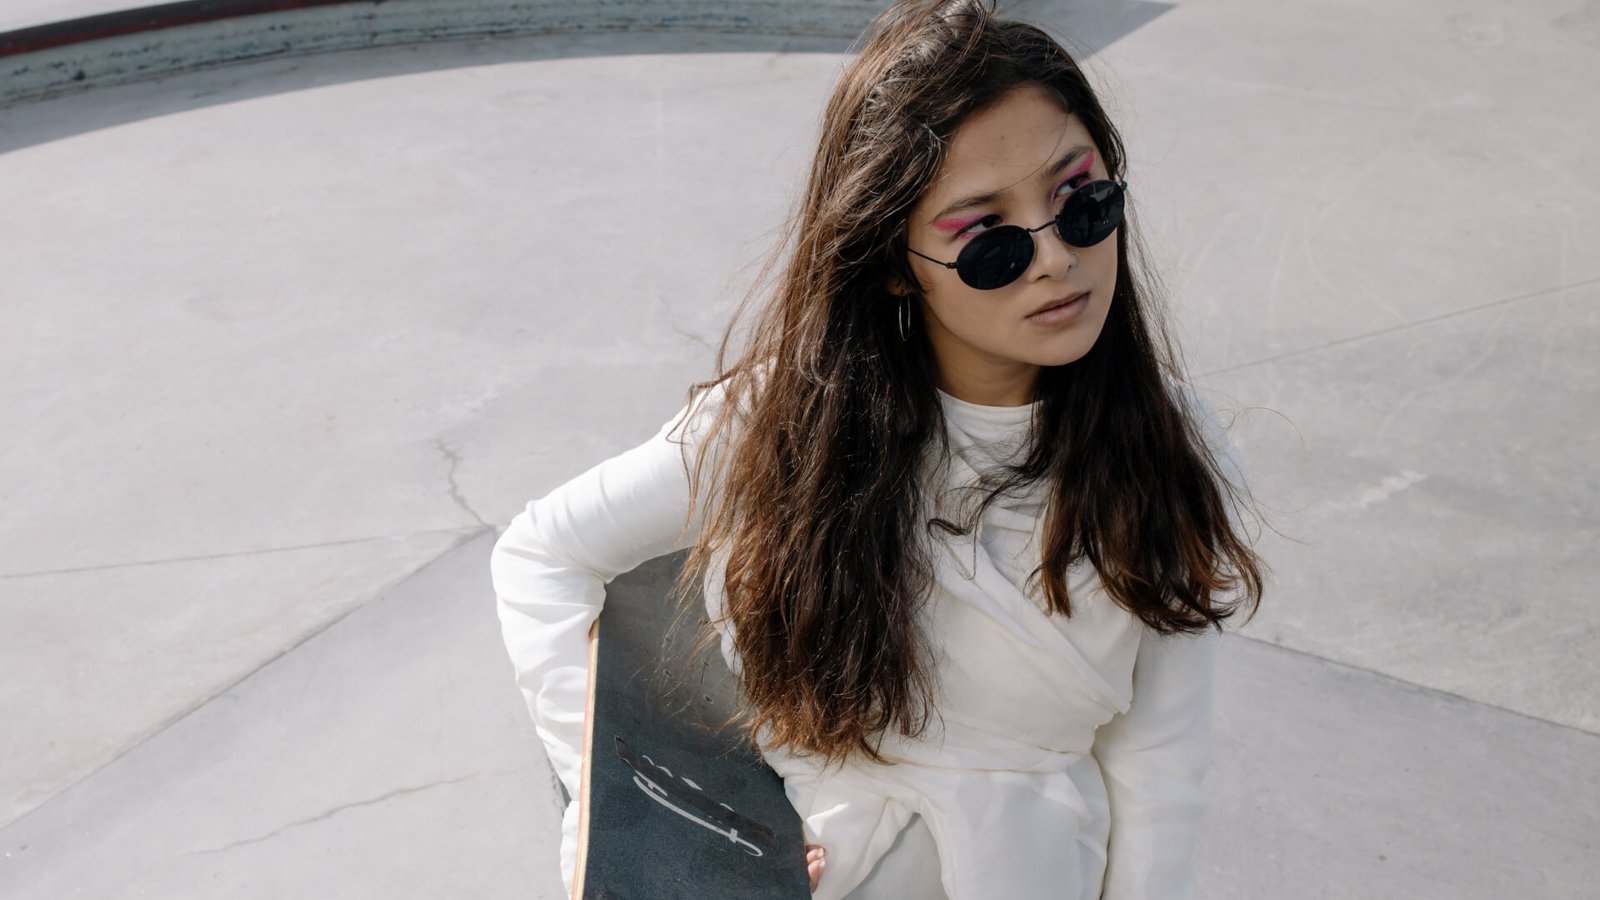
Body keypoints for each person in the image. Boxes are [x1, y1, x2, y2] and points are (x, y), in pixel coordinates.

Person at [490, 0, 1268, 897]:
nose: (1056, 258)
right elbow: (541, 555)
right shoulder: (782, 424)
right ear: (895, 261)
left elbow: (1159, 772)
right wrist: (637, 815)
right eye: (989, 241)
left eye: (1082, 202)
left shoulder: (1173, 451)